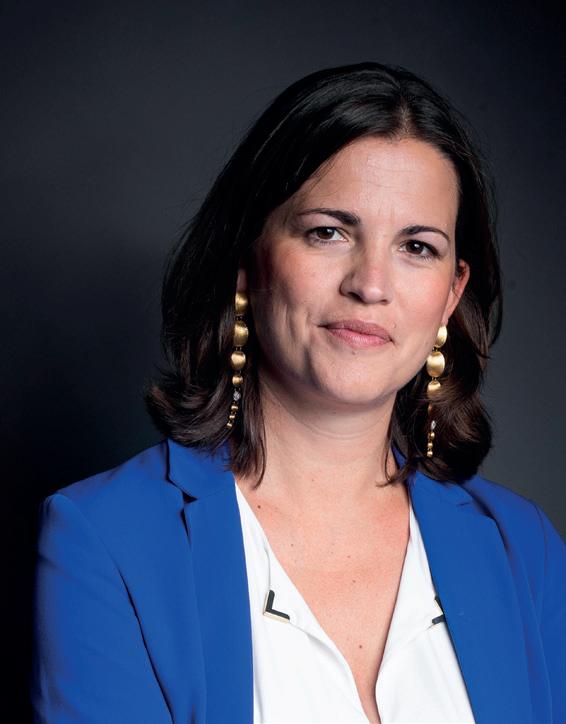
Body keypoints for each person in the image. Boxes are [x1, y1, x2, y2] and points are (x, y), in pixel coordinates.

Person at [32, 61, 565, 724]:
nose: (371, 284)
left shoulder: (524, 550)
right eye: (328, 232)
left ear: (451, 295)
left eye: (416, 247)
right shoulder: (106, 540)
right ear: (247, 260)